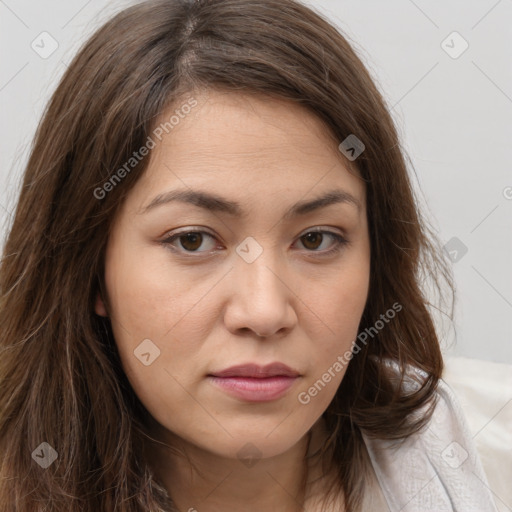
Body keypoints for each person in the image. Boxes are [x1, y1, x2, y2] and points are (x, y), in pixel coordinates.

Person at [0, 0, 498, 510]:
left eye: (316, 239)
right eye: (192, 240)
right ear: (91, 271)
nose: (264, 312)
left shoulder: (479, 456)